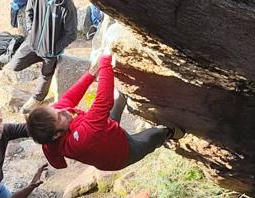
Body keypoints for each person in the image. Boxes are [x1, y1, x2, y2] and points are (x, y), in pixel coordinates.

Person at [25, 52, 185, 171]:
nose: (64, 111)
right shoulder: (83, 137)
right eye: (60, 116)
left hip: (106, 130)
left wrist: (91, 74)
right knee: (155, 135)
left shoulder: (50, 136)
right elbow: (103, 101)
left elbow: (69, 98)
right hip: (123, 153)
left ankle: (131, 101)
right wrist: (105, 62)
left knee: (120, 94)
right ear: (57, 135)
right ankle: (173, 133)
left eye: (55, 110)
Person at [7, 0, 78, 114]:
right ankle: (38, 61)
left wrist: (55, 49)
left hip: (50, 51)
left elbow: (71, 34)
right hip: (32, 43)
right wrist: (31, 31)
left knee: (46, 75)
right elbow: (29, 11)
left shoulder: (67, 5)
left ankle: (37, 99)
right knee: (15, 65)